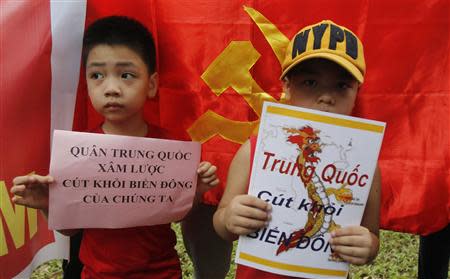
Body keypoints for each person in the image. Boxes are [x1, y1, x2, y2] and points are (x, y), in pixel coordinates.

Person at [10, 16, 219, 278]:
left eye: (126, 75)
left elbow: (175, 215)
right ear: (86, 83)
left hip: (162, 273)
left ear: (151, 84)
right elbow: (71, 231)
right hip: (97, 274)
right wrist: (48, 205)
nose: (111, 88)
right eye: (97, 75)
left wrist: (195, 192)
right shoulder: (78, 153)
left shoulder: (172, 147)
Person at [213, 20, 381, 278]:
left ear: (357, 91)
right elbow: (222, 223)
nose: (326, 97)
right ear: (287, 86)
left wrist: (367, 247)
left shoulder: (364, 163)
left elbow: (372, 237)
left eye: (342, 85)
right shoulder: (254, 150)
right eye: (310, 82)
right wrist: (229, 218)